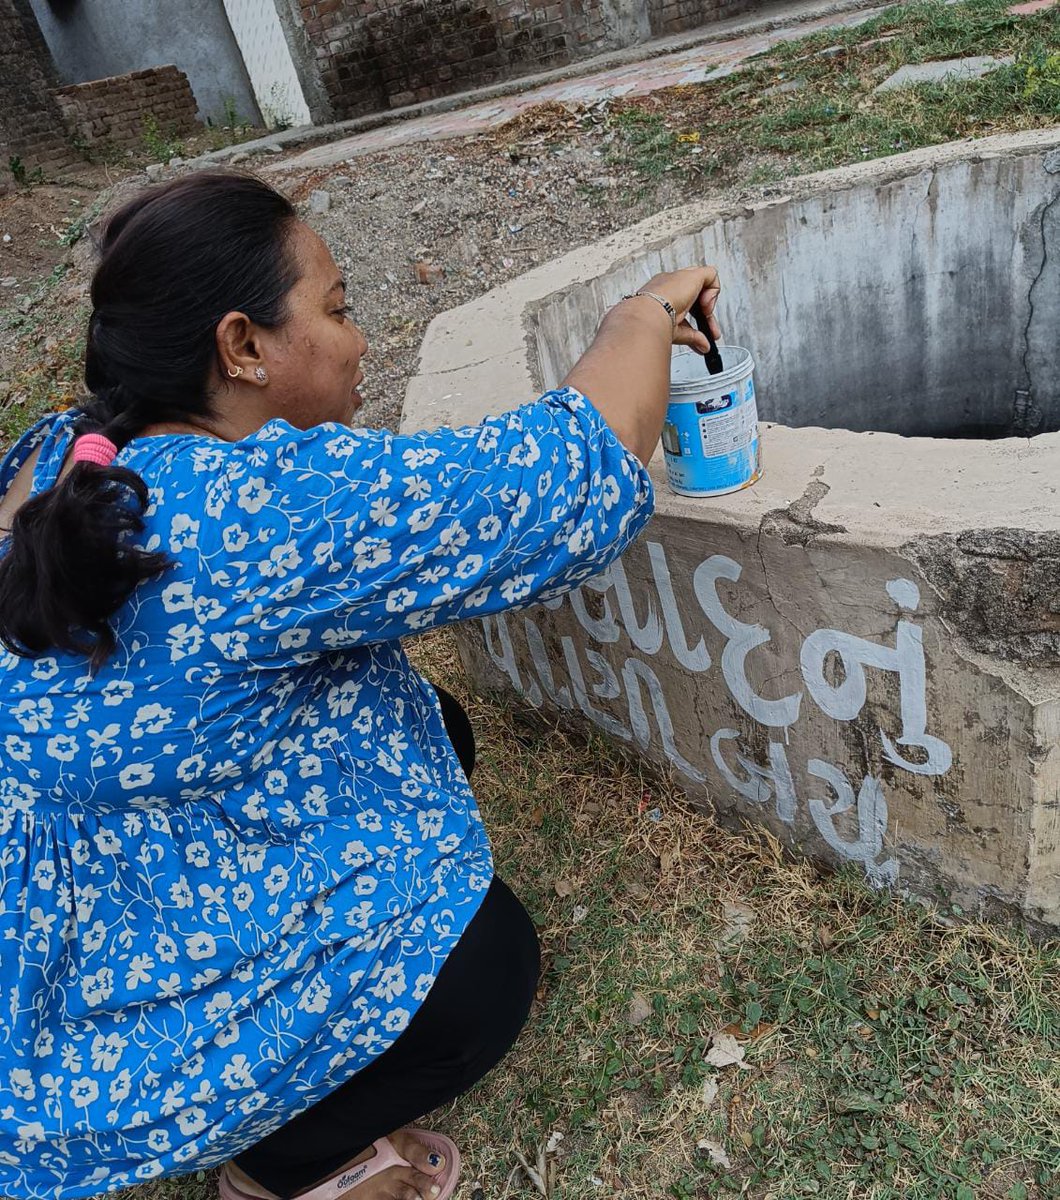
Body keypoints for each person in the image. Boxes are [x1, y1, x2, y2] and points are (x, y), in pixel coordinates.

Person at [0, 172, 721, 1200]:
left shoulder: (66, 457)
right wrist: (643, 311)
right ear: (242, 346)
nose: (361, 340)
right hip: (124, 968)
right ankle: (280, 1160)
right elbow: (562, 477)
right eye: (336, 310)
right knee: (483, 974)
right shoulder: (260, 514)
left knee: (436, 726)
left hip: (75, 897)